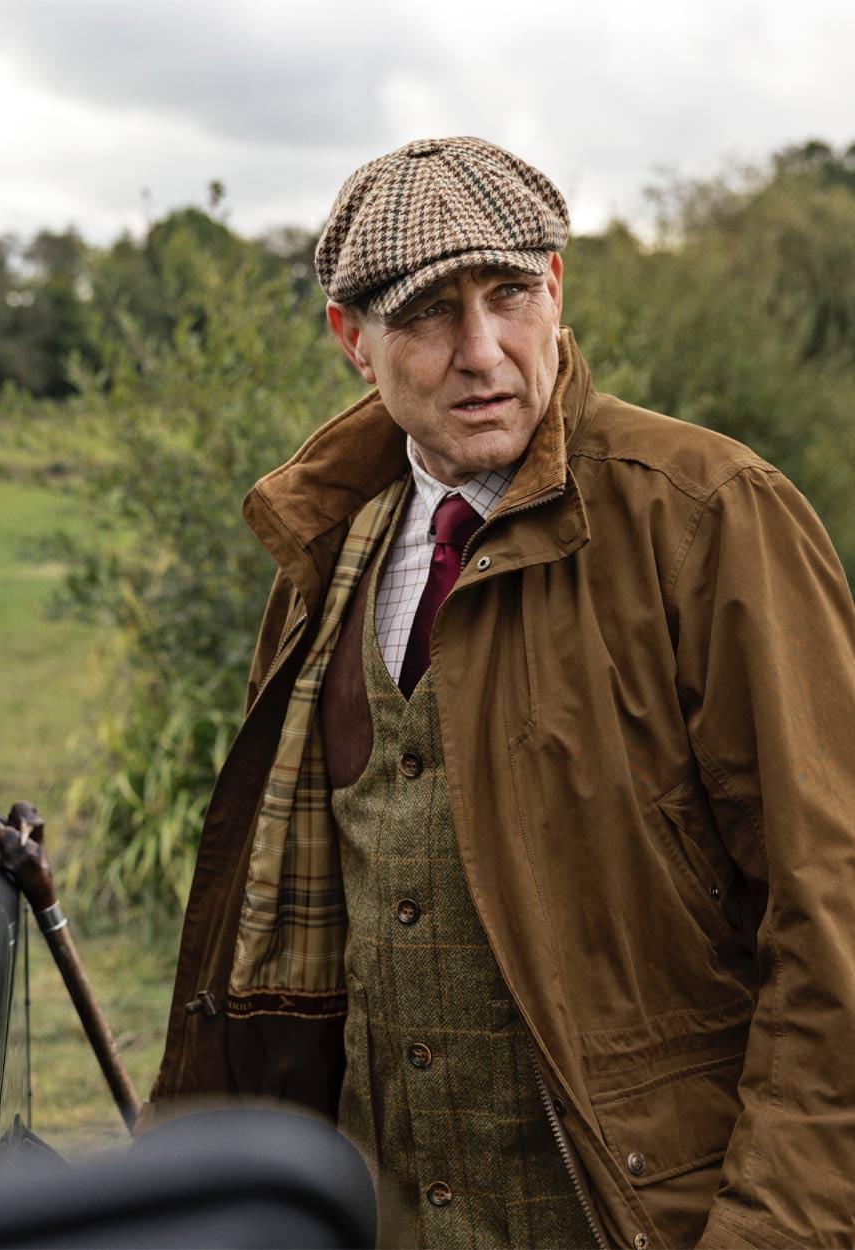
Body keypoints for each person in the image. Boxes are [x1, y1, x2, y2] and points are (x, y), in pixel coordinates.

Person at [139, 137, 855, 1249]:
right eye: (429, 313)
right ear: (352, 341)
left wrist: (769, 1234)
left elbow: (831, 918)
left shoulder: (707, 514)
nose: (482, 353)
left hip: (646, 1219)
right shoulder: (326, 555)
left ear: (556, 288)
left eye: (510, 294)